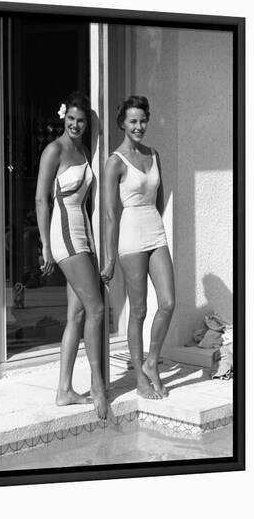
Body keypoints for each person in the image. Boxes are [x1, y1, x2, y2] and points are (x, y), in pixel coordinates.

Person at [35, 91, 108, 419]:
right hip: (63, 237)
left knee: (77, 315)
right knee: (96, 309)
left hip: (83, 236)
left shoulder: (81, 149)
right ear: (63, 117)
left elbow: (86, 203)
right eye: (71, 119)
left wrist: (94, 245)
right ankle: (97, 385)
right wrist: (45, 245)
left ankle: (64, 390)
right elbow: (41, 200)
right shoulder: (55, 150)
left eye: (81, 120)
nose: (76, 125)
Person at [101, 96, 175, 399]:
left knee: (168, 302)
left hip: (155, 232)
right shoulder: (115, 162)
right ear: (123, 123)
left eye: (143, 120)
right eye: (133, 121)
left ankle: (151, 363)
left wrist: (158, 225)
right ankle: (141, 381)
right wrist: (109, 259)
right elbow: (109, 214)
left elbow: (159, 198)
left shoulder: (154, 154)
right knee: (140, 310)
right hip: (130, 236)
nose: (139, 126)